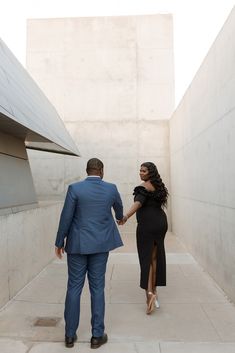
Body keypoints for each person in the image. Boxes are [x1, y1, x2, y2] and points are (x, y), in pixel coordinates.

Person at [55, 158, 124, 348]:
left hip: (77, 246)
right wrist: (120, 218)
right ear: (101, 170)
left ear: (87, 171)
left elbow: (66, 216)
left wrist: (59, 241)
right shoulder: (111, 188)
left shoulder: (75, 189)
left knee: (74, 288)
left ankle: (69, 335)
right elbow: (119, 210)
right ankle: (96, 336)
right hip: (100, 246)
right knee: (97, 288)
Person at [119, 162, 168, 314]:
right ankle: (154, 292)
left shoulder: (143, 187)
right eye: (140, 170)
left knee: (146, 260)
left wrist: (126, 216)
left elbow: (138, 203)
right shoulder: (159, 186)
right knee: (154, 259)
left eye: (144, 171)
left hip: (147, 226)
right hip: (160, 223)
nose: (140, 173)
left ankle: (149, 296)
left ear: (150, 172)